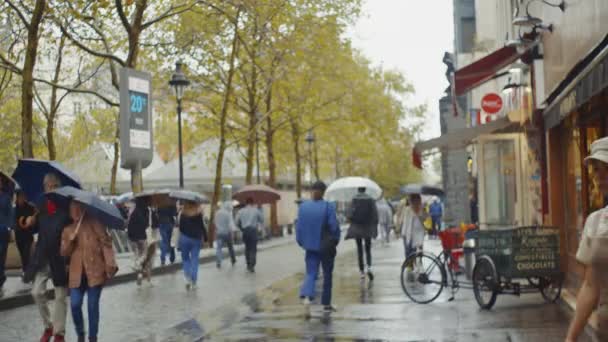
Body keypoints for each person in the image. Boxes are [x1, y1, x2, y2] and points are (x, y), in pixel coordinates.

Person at [566, 137, 608, 341]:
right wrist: (570, 338)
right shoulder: (595, 221)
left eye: (606, 169)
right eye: (597, 170)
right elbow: (590, 286)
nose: (599, 177)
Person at [60, 200, 118, 342]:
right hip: (76, 275)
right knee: (74, 305)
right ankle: (80, 333)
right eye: (72, 209)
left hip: (95, 272)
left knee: (92, 306)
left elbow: (106, 243)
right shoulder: (67, 230)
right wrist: (70, 241)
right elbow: (64, 253)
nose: (75, 212)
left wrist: (110, 263)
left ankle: (93, 338)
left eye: (78, 209)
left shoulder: (95, 223)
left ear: (83, 209)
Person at [24, 173, 71, 342]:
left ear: (59, 188)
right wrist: (30, 222)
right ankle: (49, 326)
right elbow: (35, 228)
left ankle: (59, 334)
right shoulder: (41, 206)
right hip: (43, 257)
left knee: (60, 297)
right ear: (44, 188)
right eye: (47, 186)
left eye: (54, 186)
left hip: (60, 258)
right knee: (36, 292)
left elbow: (71, 233)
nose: (50, 189)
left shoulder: (66, 207)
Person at [296, 181, 340, 313]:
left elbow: (299, 228)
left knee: (311, 272)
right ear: (323, 192)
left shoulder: (303, 207)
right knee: (327, 274)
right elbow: (334, 227)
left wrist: (302, 242)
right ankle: (326, 304)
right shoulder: (328, 207)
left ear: (312, 190)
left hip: (310, 247)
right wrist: (335, 240)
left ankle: (307, 297)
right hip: (326, 246)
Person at [345, 187, 378, 281]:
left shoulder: (354, 200)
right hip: (368, 227)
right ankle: (369, 266)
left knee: (359, 249)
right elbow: (375, 214)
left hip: (357, 228)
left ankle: (362, 272)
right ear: (365, 190)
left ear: (358, 190)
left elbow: (349, 213)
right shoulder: (371, 200)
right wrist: (374, 225)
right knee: (368, 249)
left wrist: (350, 219)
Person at [177, 200, 207, 290]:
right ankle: (194, 282)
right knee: (195, 259)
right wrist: (205, 238)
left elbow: (180, 227)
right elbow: (202, 226)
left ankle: (187, 278)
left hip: (184, 238)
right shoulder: (199, 214)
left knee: (185, 259)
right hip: (196, 239)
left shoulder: (182, 213)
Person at [127, 197, 152, 286]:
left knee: (138, 254)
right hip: (143, 237)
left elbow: (129, 224)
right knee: (146, 256)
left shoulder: (132, 211)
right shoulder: (146, 210)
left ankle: (140, 274)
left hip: (133, 238)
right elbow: (147, 224)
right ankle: (148, 280)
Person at [236, 198, 264, 273]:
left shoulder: (241, 211)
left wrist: (241, 228)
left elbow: (236, 222)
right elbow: (262, 220)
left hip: (245, 231)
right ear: (252, 203)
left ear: (246, 203)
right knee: (253, 248)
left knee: (247, 248)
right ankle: (252, 265)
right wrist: (260, 209)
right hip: (253, 231)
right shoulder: (256, 210)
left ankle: (248, 264)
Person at [14, 189, 35, 279]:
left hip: (28, 235)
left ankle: (27, 273)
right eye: (20, 197)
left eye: (23, 196)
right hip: (18, 235)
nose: (21, 198)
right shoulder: (14, 209)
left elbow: (35, 223)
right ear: (17, 197)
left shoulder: (30, 208)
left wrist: (31, 222)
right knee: (22, 254)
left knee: (27, 253)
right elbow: (12, 222)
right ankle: (24, 269)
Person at [401, 194, 427, 260]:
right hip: (408, 233)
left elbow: (425, 218)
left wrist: (422, 211)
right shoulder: (407, 209)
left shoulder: (421, 209)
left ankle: (419, 263)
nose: (416, 202)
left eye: (417, 200)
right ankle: (410, 265)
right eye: (413, 200)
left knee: (419, 250)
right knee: (409, 251)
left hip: (418, 233)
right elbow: (405, 222)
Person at [0, 175, 14, 297]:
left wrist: (9, 227)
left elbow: (10, 212)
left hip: (3, 231)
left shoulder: (6, 195)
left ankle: (1, 280)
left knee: (1, 255)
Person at [214, 202, 236, 269]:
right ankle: (233, 259)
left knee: (219, 248)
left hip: (218, 233)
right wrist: (233, 232)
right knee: (230, 247)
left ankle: (218, 261)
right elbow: (230, 225)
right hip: (227, 233)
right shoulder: (228, 214)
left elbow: (214, 222)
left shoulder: (217, 213)